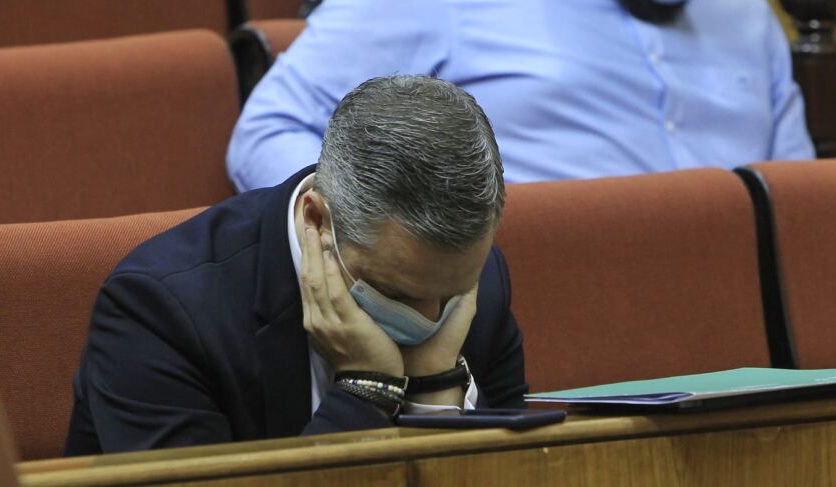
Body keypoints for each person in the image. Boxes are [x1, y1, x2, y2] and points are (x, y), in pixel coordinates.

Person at [64, 75, 527, 455]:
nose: (430, 318)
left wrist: (436, 384)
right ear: (317, 220)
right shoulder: (160, 313)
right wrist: (367, 389)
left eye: (451, 295)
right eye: (397, 294)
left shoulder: (472, 276)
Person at [227, 0, 815, 192]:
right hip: (531, 316)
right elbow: (268, 131)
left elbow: (795, 194)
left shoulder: (748, 15)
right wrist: (382, 248)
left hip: (742, 324)